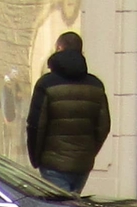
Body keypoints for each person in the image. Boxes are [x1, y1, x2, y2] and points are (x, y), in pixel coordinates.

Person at [24, 31, 108, 193]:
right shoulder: (96, 85)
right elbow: (103, 126)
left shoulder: (47, 84)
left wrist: (36, 158)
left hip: (53, 163)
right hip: (82, 164)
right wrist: (88, 152)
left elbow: (35, 125)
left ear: (60, 48)